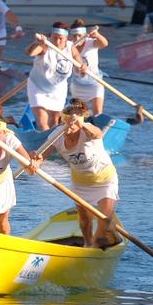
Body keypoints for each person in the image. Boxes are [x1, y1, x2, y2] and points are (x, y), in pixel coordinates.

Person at [49, 99, 122, 248]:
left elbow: (99, 133)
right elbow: (40, 157)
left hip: (105, 179)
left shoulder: (88, 131)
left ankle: (103, 236)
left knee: (103, 221)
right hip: (80, 183)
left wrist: (80, 123)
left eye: (73, 124)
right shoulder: (56, 135)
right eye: (66, 123)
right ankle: (88, 245)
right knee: (84, 220)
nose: (69, 128)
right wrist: (34, 161)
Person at [25, 23, 78, 130]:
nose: (57, 42)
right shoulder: (45, 44)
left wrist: (81, 66)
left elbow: (77, 57)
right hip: (38, 87)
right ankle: (47, 143)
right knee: (41, 118)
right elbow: (30, 53)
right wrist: (37, 43)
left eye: (61, 39)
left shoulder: (70, 46)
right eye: (55, 38)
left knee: (55, 120)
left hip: (58, 90)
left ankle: (53, 141)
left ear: (66, 38)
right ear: (51, 36)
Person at [67, 20, 110, 115]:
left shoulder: (91, 43)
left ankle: (97, 127)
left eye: (79, 35)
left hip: (95, 83)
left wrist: (97, 35)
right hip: (77, 84)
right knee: (78, 114)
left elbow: (104, 44)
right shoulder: (69, 46)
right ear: (70, 36)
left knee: (97, 113)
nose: (77, 38)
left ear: (84, 34)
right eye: (74, 36)